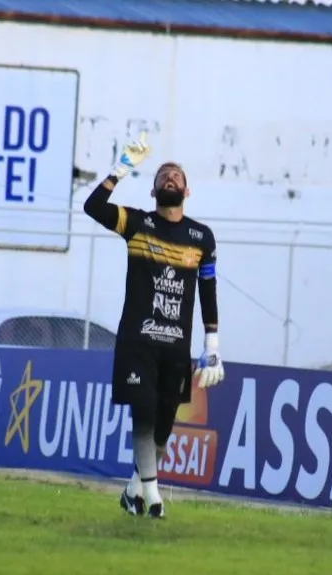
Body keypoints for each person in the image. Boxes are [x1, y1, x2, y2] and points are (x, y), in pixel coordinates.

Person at [83, 133, 225, 519]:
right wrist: (120, 169)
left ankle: (133, 491)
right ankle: (154, 495)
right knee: (143, 410)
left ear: (187, 191)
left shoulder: (202, 238)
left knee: (163, 423)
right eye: (164, 174)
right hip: (138, 342)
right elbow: (93, 206)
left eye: (177, 175)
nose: (170, 178)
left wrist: (212, 344)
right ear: (153, 188)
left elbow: (208, 291)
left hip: (177, 347)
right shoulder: (137, 223)